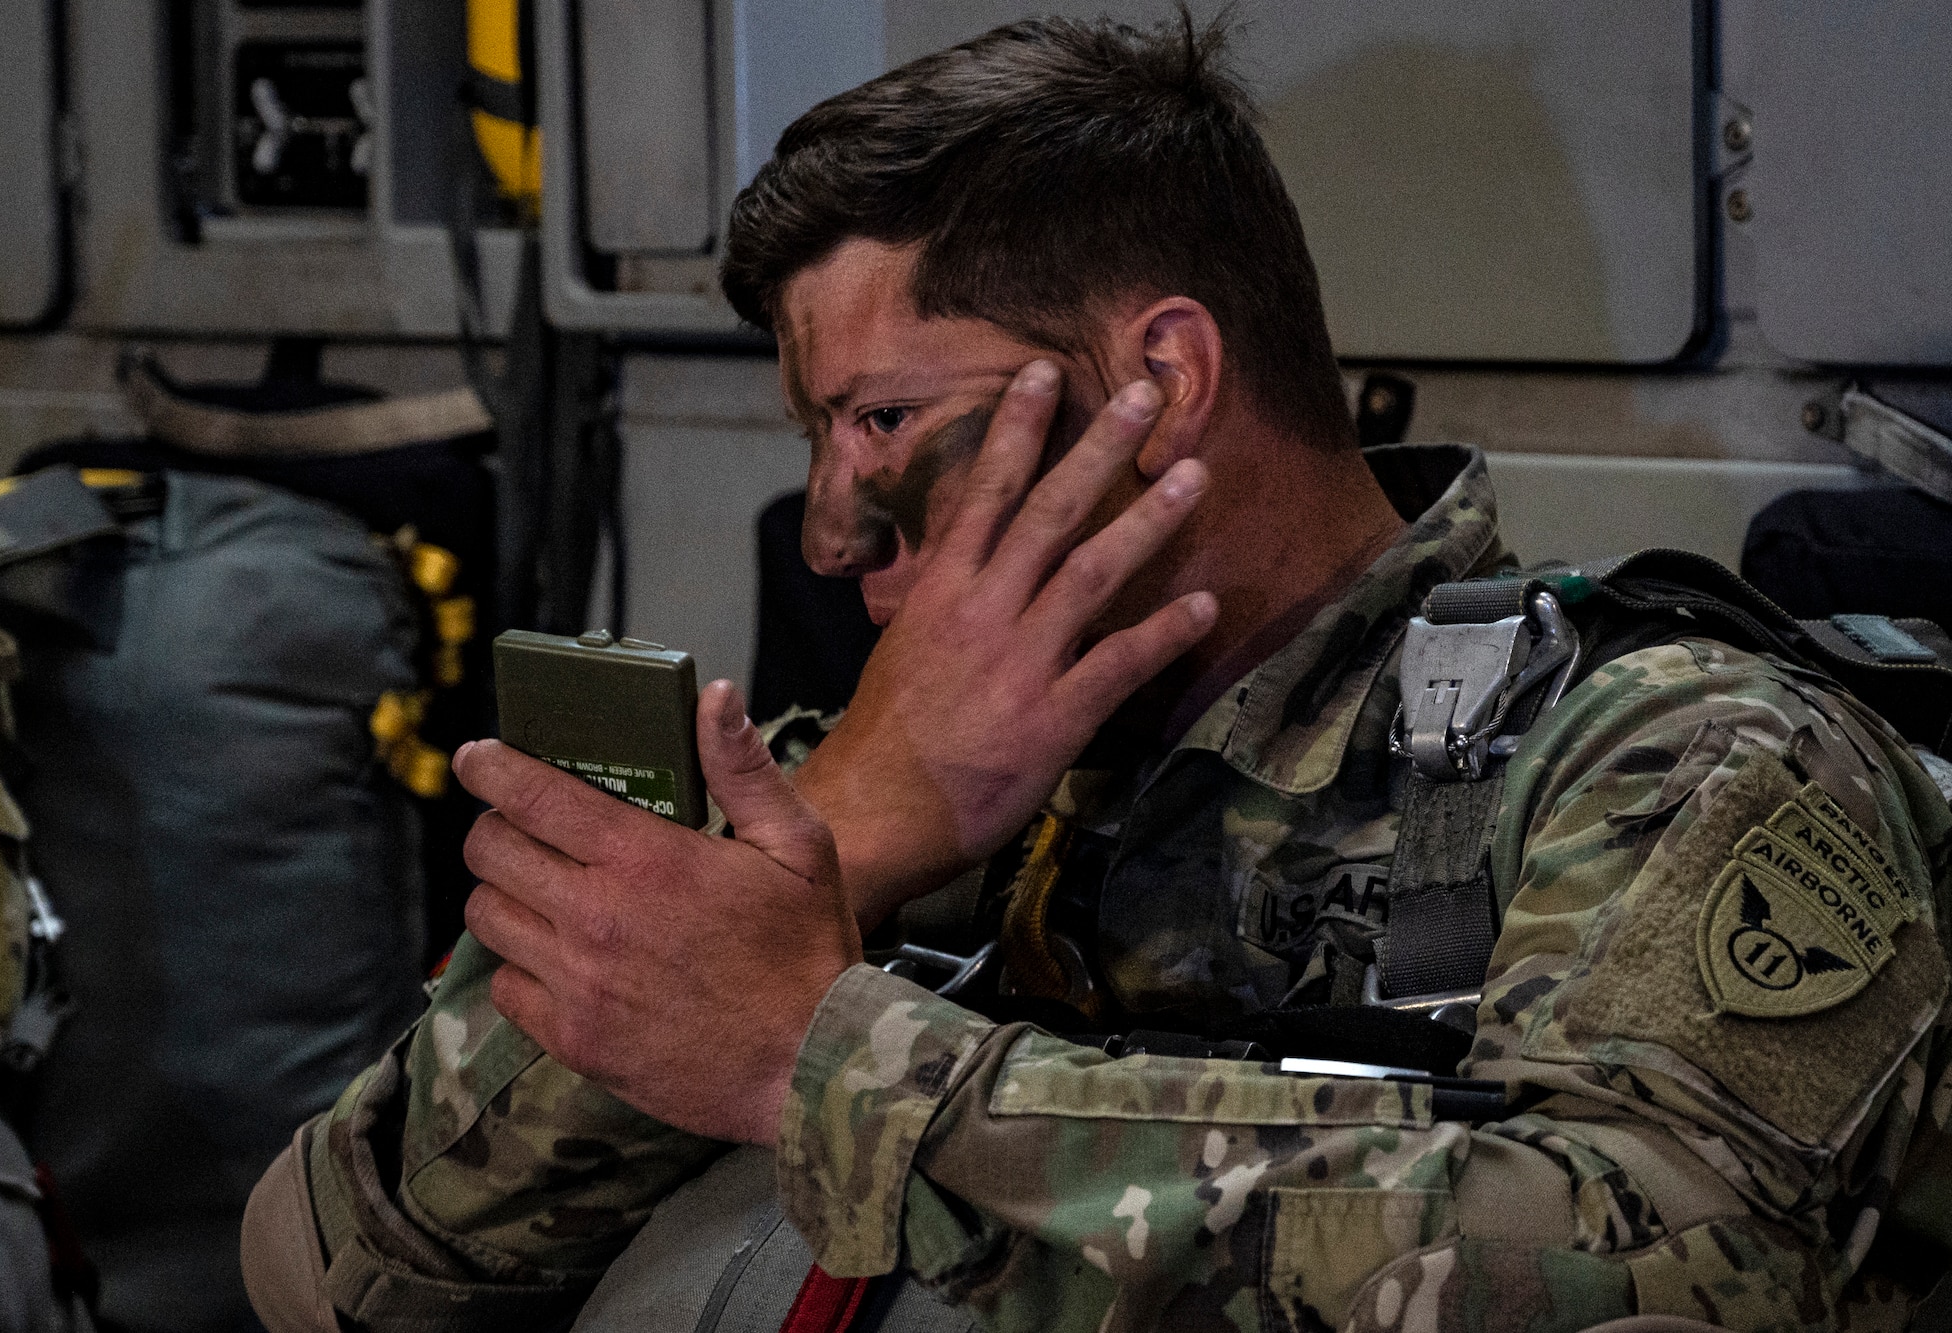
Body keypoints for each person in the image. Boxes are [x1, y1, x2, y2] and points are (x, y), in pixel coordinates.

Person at [241, 14, 1951, 1332]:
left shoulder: (1668, 751)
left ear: (1165, 376)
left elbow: (1688, 1258)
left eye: (880, 421)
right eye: (816, 437)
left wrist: (823, 1063)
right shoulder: (844, 795)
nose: (830, 530)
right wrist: (864, 825)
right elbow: (333, 1267)